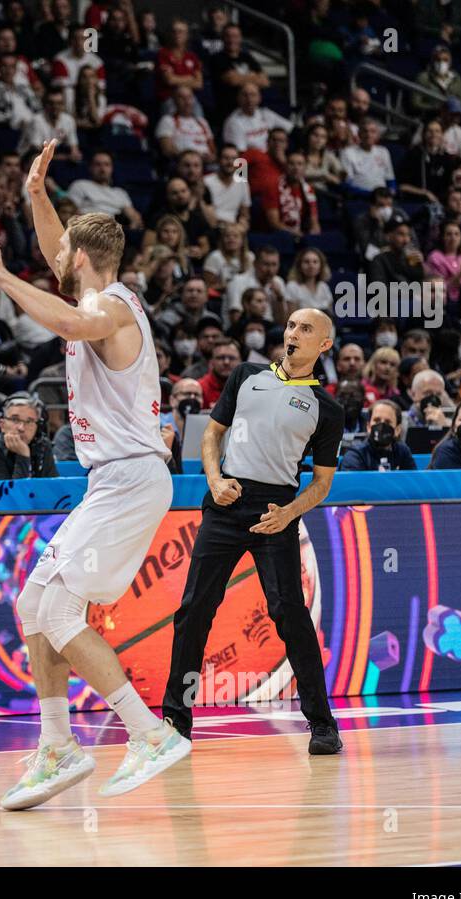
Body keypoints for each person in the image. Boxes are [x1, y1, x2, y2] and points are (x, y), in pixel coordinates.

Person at [0, 140, 185, 807]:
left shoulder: (113, 308)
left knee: (59, 608)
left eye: (63, 253)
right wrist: (37, 194)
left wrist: (2, 277)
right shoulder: (99, 293)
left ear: (81, 261)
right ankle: (57, 745)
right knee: (34, 605)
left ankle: (150, 734)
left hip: (131, 477)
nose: (51, 257)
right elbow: (65, 267)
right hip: (112, 480)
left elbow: (65, 314)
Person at [162, 308, 344, 756]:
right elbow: (211, 436)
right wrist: (214, 480)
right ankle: (175, 721)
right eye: (290, 326)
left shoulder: (327, 408)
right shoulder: (246, 375)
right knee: (194, 610)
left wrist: (288, 513)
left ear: (324, 345)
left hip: (275, 510)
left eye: (306, 329)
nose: (293, 333)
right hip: (226, 501)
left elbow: (321, 483)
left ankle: (323, 725)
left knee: (290, 615)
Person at [0, 390, 59, 481]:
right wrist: (23, 455)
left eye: (29, 421)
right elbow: (9, 494)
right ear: (2, 425)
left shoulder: (43, 445)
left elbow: (53, 490)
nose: (21, 428)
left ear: (37, 427)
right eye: (15, 419)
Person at [340, 399, 417, 471]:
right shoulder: (355, 454)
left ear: (397, 430)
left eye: (387, 422)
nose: (381, 426)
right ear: (368, 427)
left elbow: (414, 482)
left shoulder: (403, 451)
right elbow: (355, 484)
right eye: (377, 421)